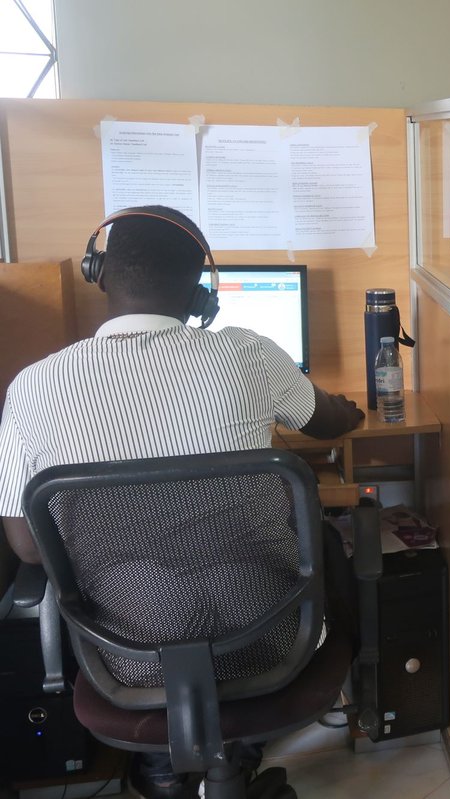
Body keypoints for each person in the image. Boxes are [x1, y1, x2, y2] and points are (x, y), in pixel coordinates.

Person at [0, 206, 363, 798]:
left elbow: (26, 547)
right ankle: (235, 752)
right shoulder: (247, 353)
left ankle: (168, 765)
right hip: (271, 642)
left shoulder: (33, 385)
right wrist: (353, 409)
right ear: (201, 291)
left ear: (99, 273)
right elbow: (326, 423)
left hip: (126, 659)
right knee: (336, 538)